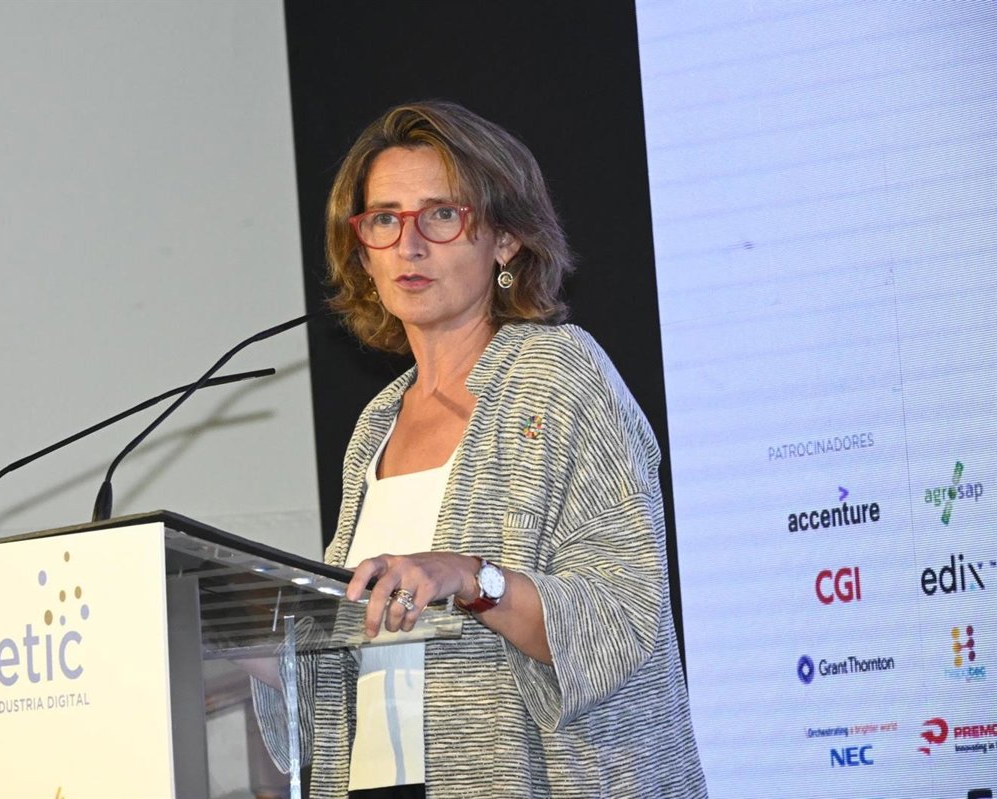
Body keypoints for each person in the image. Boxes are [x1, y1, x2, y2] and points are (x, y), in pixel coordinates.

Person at [253, 100, 707, 798]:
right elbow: (355, 640)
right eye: (384, 219)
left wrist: (473, 578)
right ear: (362, 248)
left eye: (441, 215)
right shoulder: (377, 423)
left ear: (506, 240)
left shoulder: (558, 374)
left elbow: (622, 618)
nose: (408, 246)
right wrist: (236, 643)